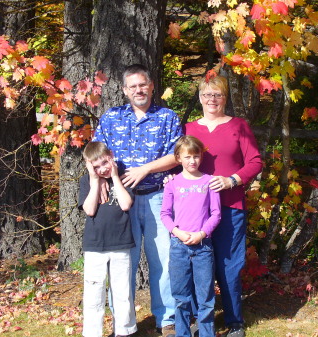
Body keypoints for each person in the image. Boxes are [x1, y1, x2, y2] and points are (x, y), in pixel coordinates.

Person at [92, 64, 182, 337]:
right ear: (124, 90)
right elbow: (95, 155)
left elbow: (177, 155)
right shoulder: (111, 118)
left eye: (142, 85)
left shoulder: (168, 117)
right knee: (122, 263)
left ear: (152, 86)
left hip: (157, 199)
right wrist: (100, 182)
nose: (138, 90)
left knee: (163, 262)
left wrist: (146, 169)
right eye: (132, 86)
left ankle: (166, 319)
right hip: (121, 202)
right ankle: (123, 323)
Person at [184, 75, 263, 337]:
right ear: (200, 98)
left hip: (230, 206)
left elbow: (255, 161)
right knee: (198, 264)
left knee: (229, 263)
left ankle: (234, 321)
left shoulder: (239, 126)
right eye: (207, 95)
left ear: (225, 98)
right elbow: (177, 160)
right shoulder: (189, 129)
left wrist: (232, 180)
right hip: (196, 210)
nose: (212, 100)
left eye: (217, 95)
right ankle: (200, 320)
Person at [161, 135, 221, 337]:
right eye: (187, 157)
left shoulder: (209, 182)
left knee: (205, 297)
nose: (192, 161)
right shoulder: (172, 183)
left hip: (203, 246)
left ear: (201, 157)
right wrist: (176, 231)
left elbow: (216, 214)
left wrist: (202, 233)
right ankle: (182, 333)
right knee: (181, 296)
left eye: (196, 156)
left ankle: (206, 333)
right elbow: (165, 214)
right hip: (179, 246)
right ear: (178, 158)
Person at [79, 141, 137, 337]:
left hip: (120, 243)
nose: (102, 169)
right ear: (89, 166)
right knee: (93, 292)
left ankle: (124, 330)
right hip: (95, 245)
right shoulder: (86, 181)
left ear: (111, 156)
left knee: (121, 291)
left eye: (105, 162)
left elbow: (126, 204)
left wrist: (114, 176)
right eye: (96, 166)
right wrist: (94, 180)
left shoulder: (123, 177)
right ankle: (92, 332)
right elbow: (89, 209)